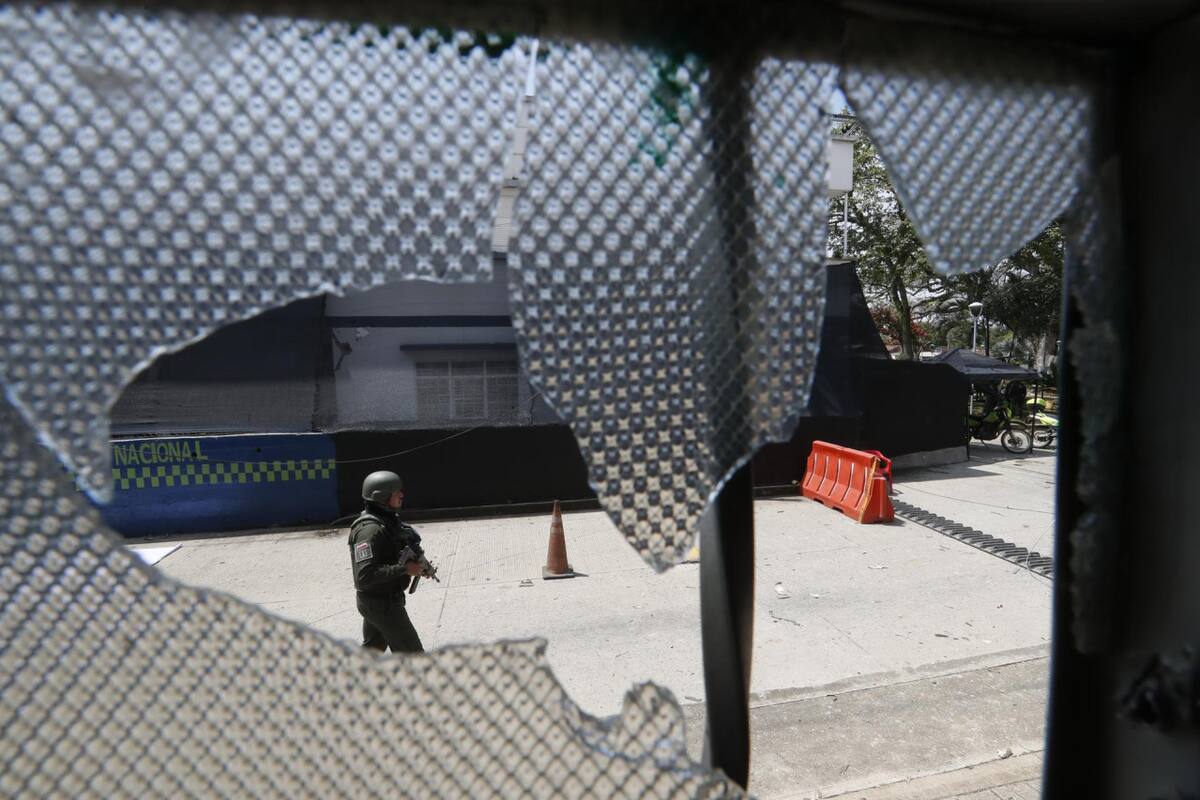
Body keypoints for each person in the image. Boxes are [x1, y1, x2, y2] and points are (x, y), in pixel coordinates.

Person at [348, 471, 429, 653]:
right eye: (396, 492)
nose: (401, 495)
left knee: (373, 649)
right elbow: (364, 577)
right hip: (381, 604)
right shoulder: (369, 531)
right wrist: (404, 569)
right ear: (382, 497)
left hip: (379, 600)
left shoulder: (388, 521)